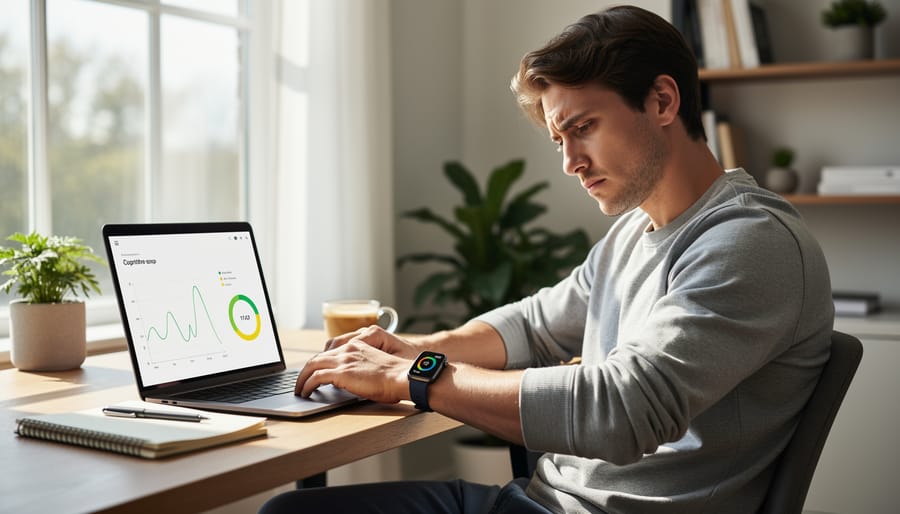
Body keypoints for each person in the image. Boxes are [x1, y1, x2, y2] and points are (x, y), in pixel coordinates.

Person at [261, 5, 833, 513]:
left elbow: (623, 410)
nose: (570, 163)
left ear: (662, 101)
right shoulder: (633, 233)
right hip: (542, 500)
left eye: (583, 128)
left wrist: (417, 376)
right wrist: (413, 350)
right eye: (561, 140)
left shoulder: (750, 240)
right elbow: (535, 324)